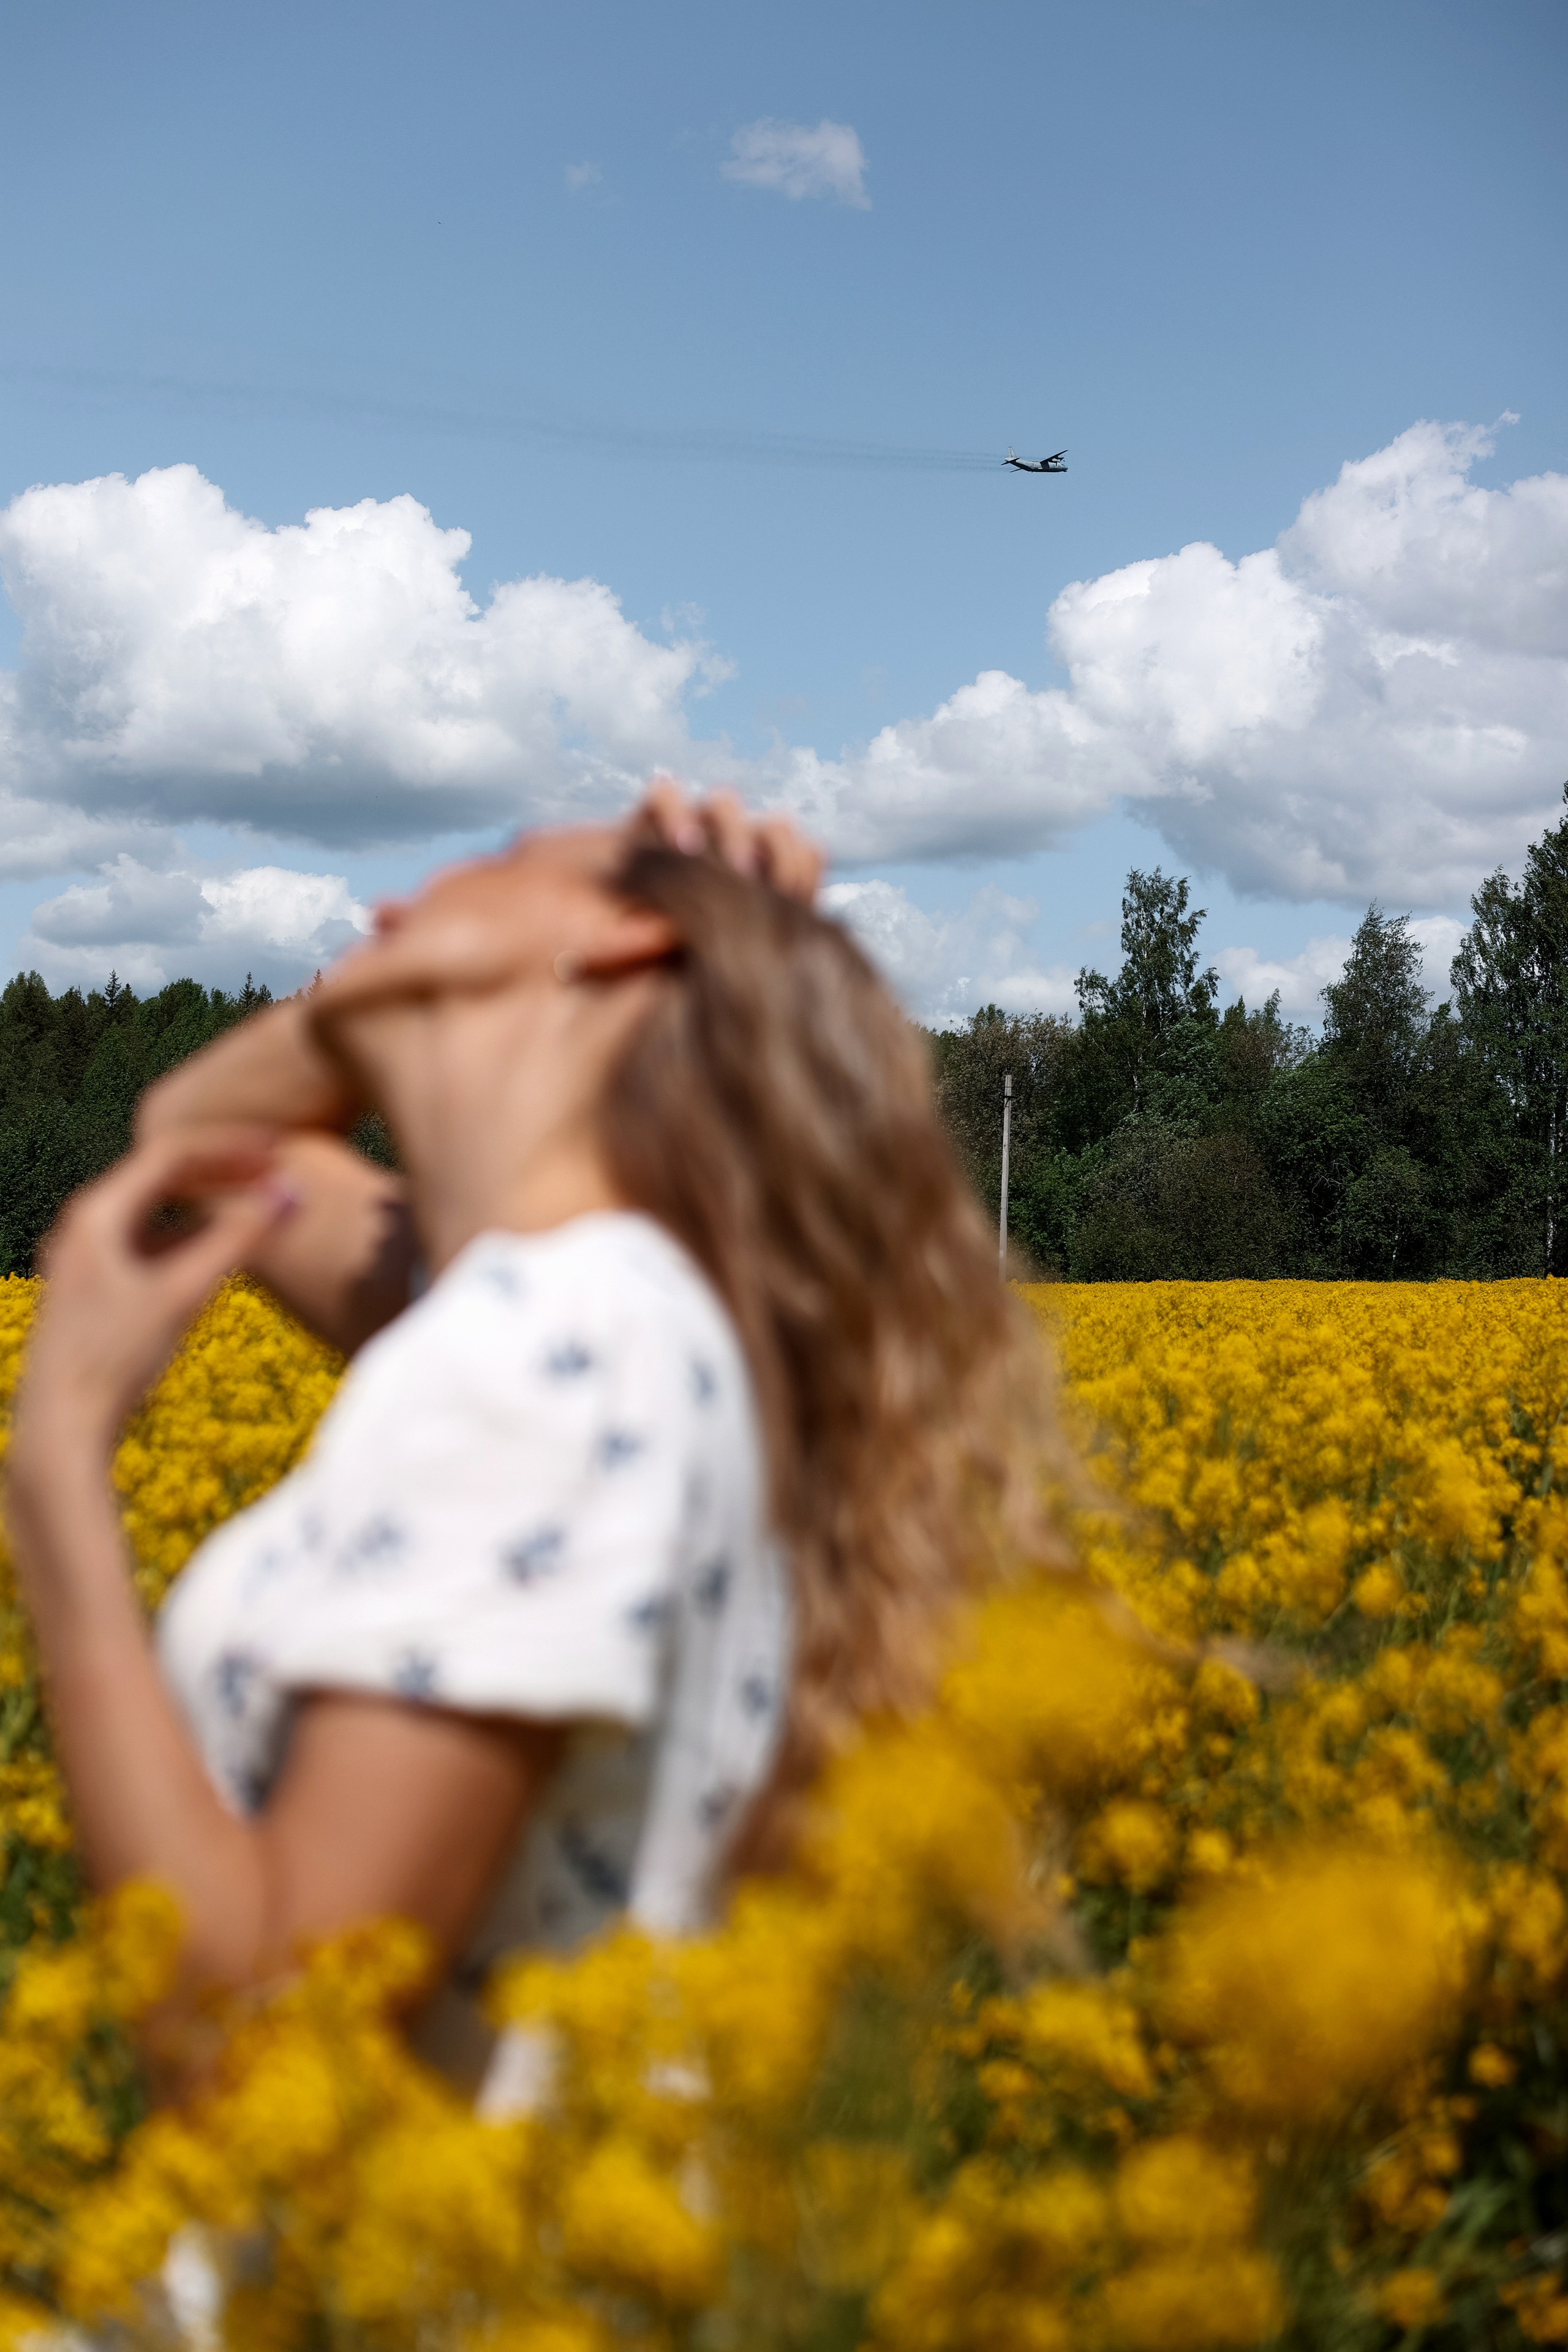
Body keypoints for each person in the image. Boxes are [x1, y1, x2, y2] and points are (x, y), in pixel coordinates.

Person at [4, 785, 1065, 2095]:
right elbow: (196, 1142)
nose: (389, 900)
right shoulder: (591, 1315)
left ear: (618, 939)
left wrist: (56, 1468)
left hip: (383, 2291)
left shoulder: (552, 1351)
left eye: (495, 861)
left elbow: (263, 2049)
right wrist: (704, 948)